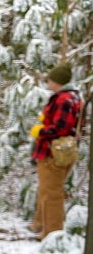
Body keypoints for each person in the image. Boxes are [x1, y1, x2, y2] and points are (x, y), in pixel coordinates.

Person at [29, 63, 83, 240]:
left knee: (51, 192)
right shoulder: (75, 97)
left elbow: (61, 128)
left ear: (58, 82)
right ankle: (39, 223)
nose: (48, 82)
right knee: (46, 188)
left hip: (52, 151)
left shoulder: (63, 99)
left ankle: (52, 233)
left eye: (50, 80)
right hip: (64, 150)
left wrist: (41, 130)